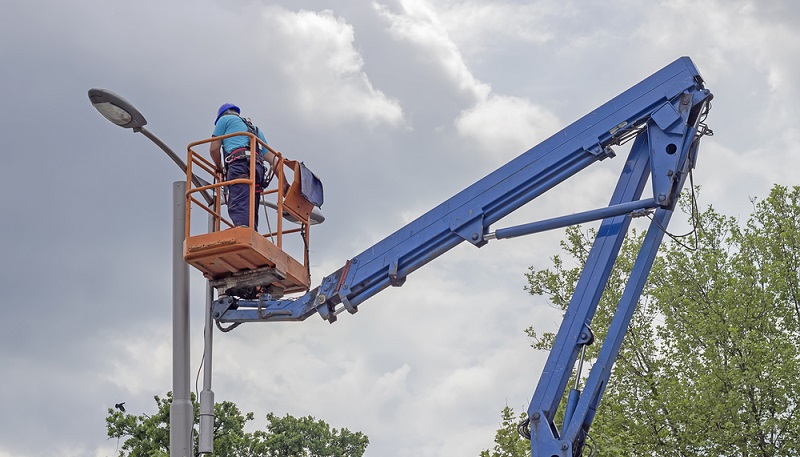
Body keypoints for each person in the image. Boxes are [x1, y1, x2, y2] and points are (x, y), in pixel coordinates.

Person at [209, 103, 277, 230]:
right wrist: (284, 185)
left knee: (238, 200)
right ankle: (251, 232)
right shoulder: (254, 129)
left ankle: (243, 230)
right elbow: (273, 159)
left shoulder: (224, 120)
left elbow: (214, 149)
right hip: (257, 169)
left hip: (239, 164)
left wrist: (220, 168)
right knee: (251, 203)